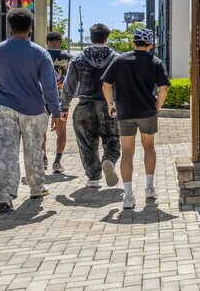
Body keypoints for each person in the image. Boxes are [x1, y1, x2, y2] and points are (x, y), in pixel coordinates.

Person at [0, 8, 62, 212]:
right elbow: (50, 87)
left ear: (10, 27)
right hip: (33, 109)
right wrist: (56, 112)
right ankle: (36, 187)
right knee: (34, 150)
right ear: (30, 28)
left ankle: (4, 196)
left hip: (3, 108)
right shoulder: (40, 53)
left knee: (4, 153)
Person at [101, 28, 170, 210]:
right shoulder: (156, 62)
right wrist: (158, 105)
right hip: (147, 111)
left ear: (133, 43)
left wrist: (110, 104)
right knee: (149, 148)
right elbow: (163, 88)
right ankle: (149, 188)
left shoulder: (119, 60)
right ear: (151, 45)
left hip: (125, 112)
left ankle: (129, 195)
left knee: (127, 152)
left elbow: (106, 85)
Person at [62, 23, 120, 189]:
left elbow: (69, 86)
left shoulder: (78, 59)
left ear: (90, 38)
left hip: (84, 105)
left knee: (87, 143)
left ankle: (93, 178)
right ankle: (109, 159)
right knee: (112, 138)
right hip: (109, 105)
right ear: (107, 38)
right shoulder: (116, 58)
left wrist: (64, 107)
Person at [44, 32, 73, 173]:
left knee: (40, 131)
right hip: (62, 99)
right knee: (61, 132)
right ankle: (57, 161)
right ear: (60, 42)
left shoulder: (41, 54)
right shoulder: (69, 58)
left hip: (42, 98)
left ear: (47, 42)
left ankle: (43, 158)